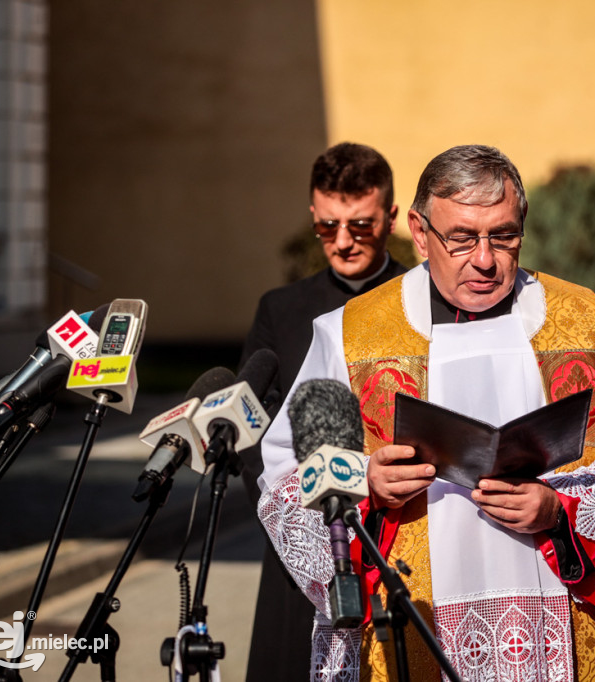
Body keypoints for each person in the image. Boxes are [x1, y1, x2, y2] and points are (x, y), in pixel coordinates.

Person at [257, 144, 595, 681]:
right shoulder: (351, 334)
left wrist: (559, 509)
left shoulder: (584, 322)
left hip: (556, 624)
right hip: (407, 622)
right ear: (420, 229)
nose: (484, 259)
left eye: (502, 236)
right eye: (461, 238)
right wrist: (364, 481)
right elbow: (287, 476)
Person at [240, 142, 409, 682]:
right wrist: (300, 515)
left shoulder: (418, 302)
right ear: (314, 214)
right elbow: (252, 432)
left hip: (396, 537)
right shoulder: (280, 309)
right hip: (305, 540)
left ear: (391, 217)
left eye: (360, 225)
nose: (342, 241)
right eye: (328, 225)